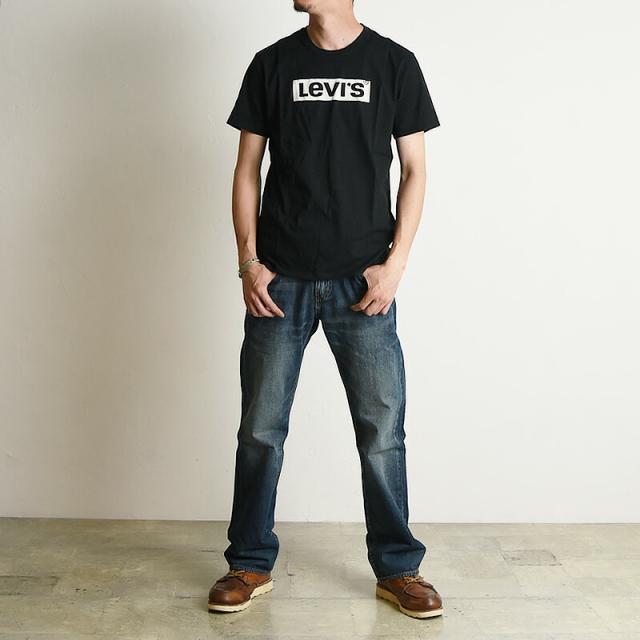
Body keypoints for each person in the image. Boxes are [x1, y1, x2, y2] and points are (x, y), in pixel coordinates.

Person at [208, 0, 443, 619]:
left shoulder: (394, 63)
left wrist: (395, 265)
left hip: (362, 284)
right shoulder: (272, 63)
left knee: (382, 432)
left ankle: (399, 568)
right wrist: (248, 261)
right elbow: (247, 169)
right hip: (279, 281)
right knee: (260, 429)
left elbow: (415, 170)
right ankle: (248, 562)